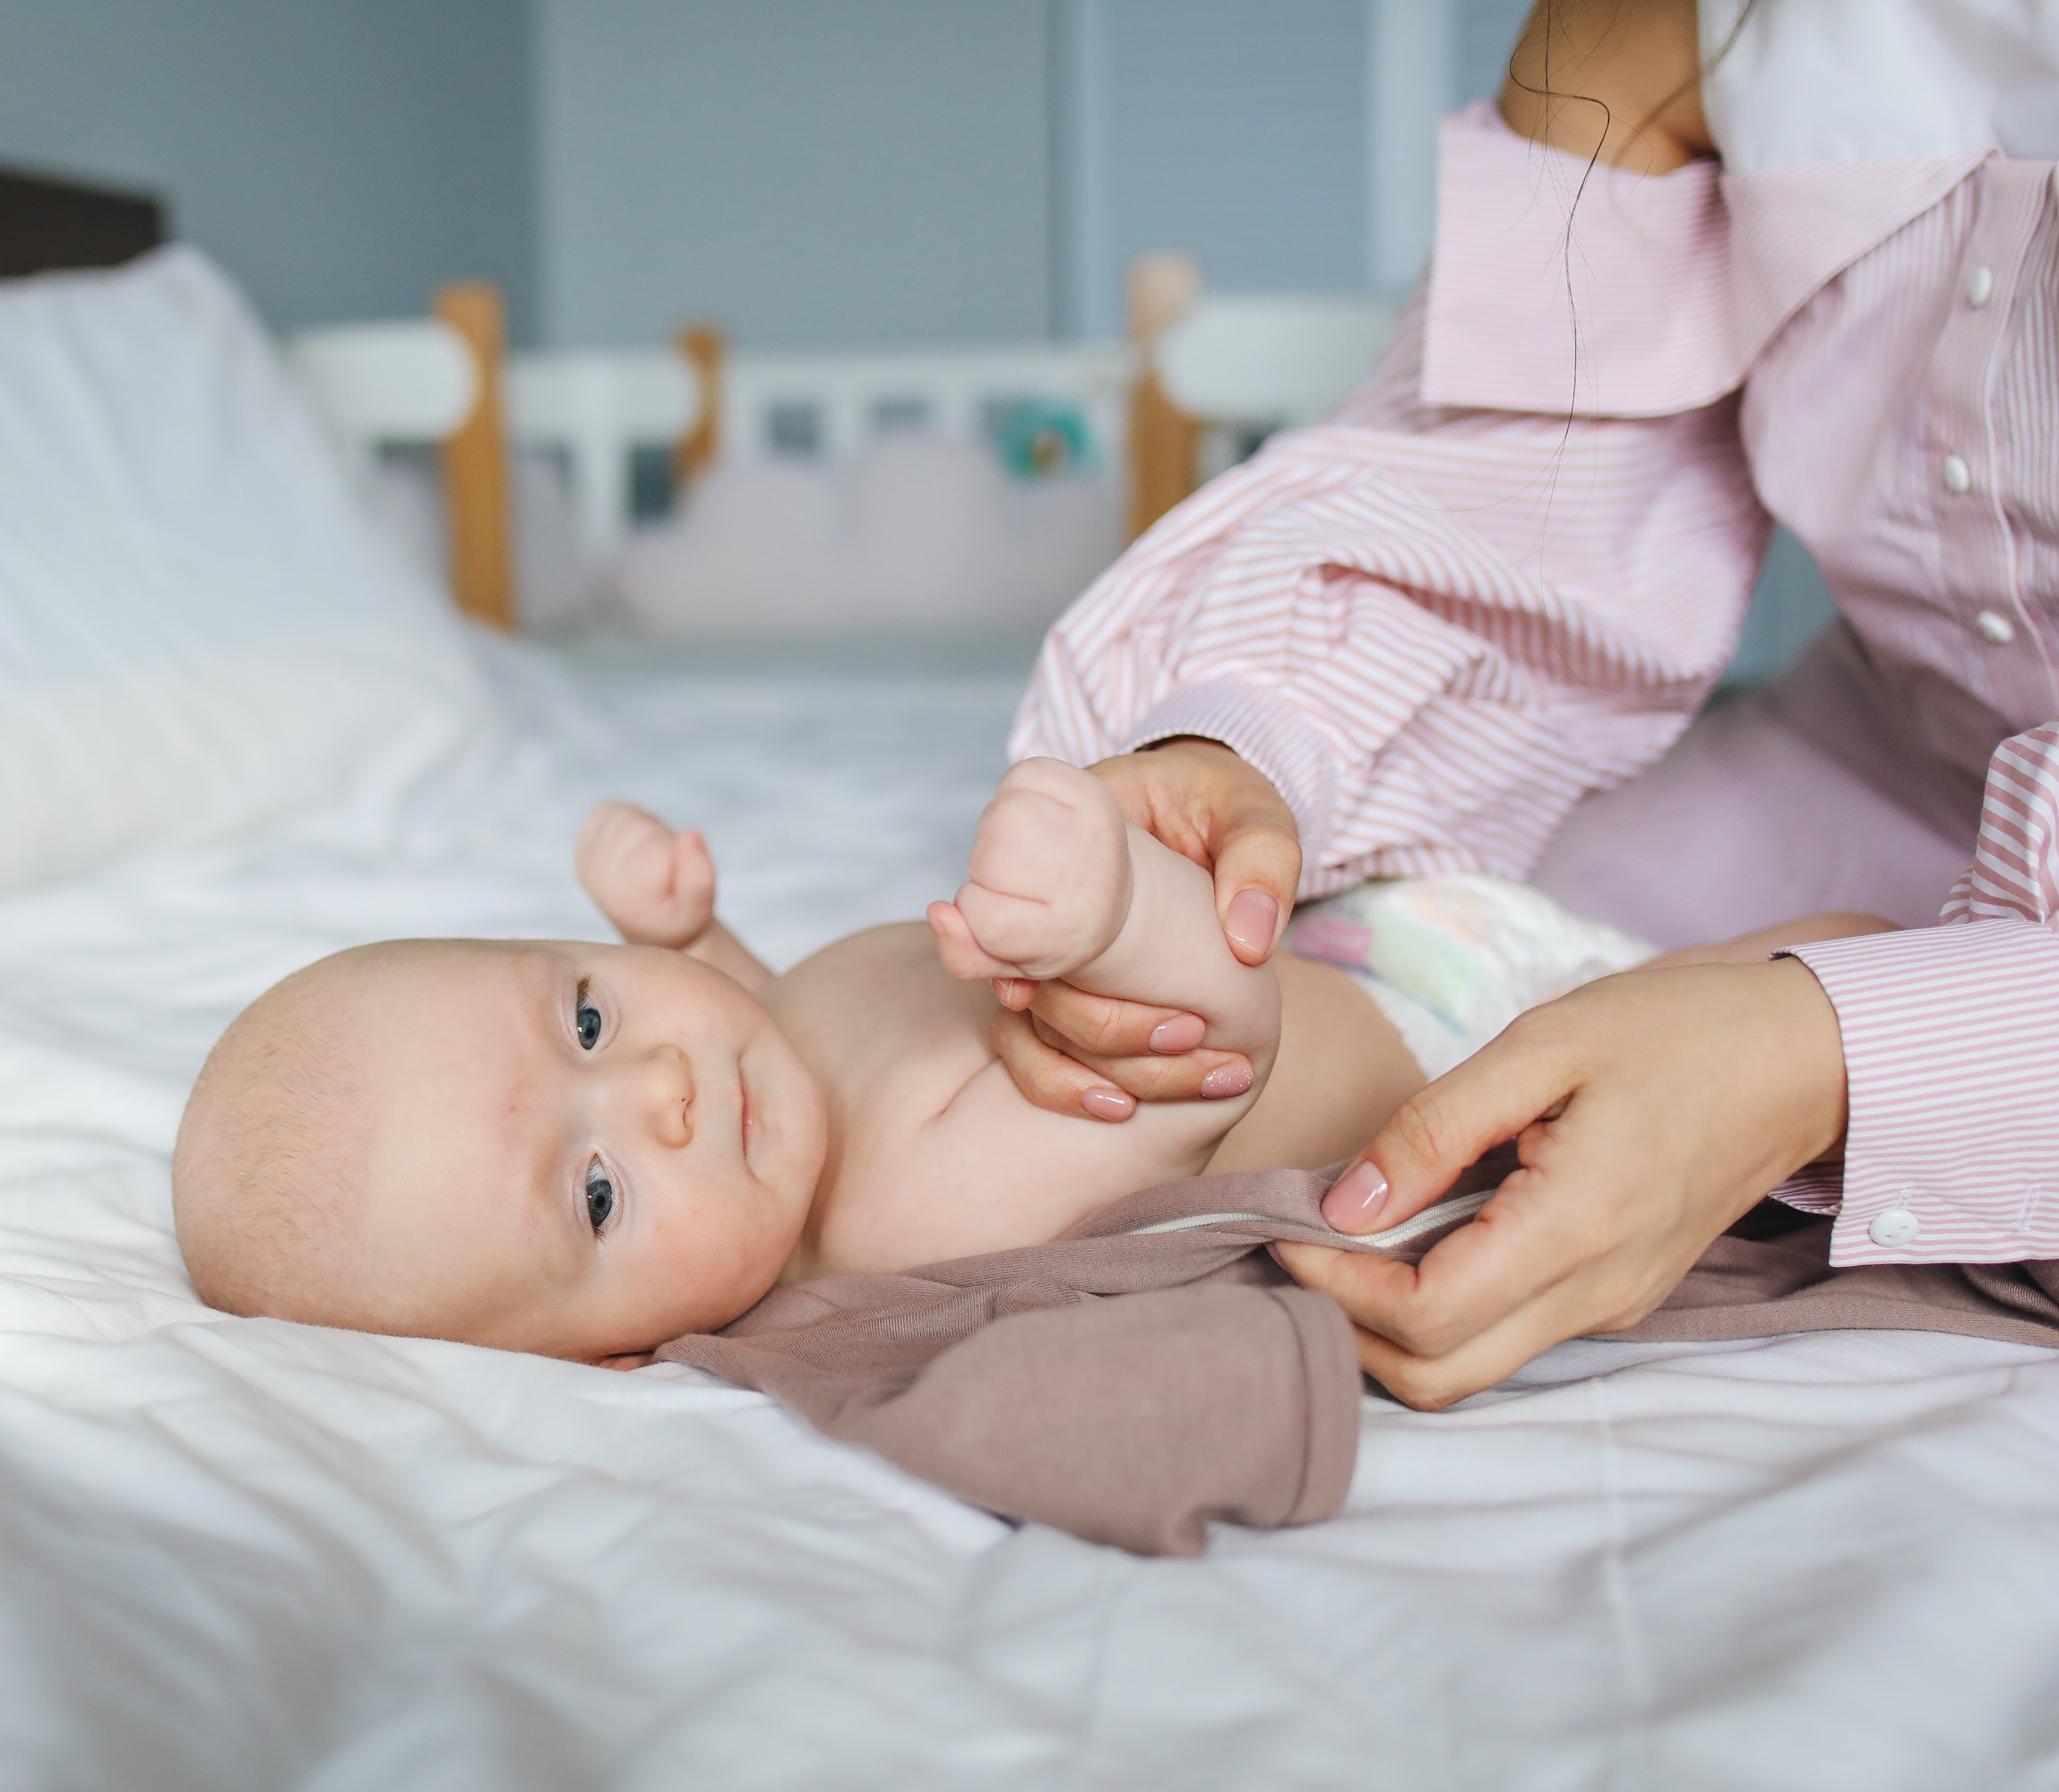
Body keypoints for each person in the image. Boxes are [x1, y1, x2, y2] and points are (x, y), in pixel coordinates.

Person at [994, 0, 2059, 1408]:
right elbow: (1506, 514)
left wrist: (1829, 1061)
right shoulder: (1678, 32)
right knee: (1441, 968)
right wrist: (1244, 745)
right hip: (1890, 763)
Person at [171, 768, 1863, 1364]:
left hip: (1356, 910)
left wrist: (697, 942)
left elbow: (787, 1026)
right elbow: (1199, 1061)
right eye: (600, 1189)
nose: (667, 1088)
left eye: (589, 1020)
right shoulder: (920, 1219)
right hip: (1481, 1027)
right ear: (609, 1356)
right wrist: (1123, 912)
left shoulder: (753, 1087)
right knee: (1830, 976)